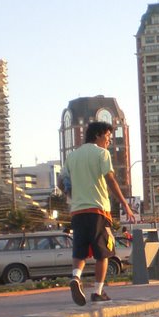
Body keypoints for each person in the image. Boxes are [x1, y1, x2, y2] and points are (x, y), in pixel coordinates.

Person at [59, 121, 133, 306]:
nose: (109, 141)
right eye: (108, 137)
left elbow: (61, 181)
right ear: (99, 135)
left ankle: (76, 277)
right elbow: (110, 180)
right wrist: (125, 204)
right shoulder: (102, 154)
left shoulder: (72, 156)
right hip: (98, 210)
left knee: (80, 251)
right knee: (103, 253)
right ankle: (98, 292)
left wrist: (70, 194)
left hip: (77, 211)